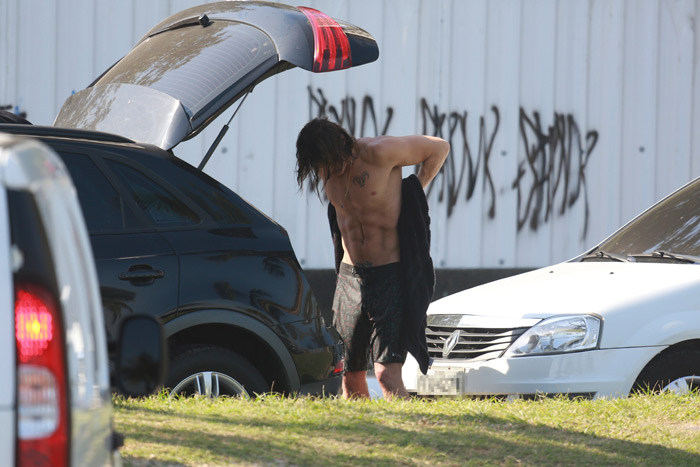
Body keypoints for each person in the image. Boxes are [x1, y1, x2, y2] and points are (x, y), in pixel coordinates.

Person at [295, 117, 449, 400]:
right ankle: (363, 437)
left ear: (344, 145)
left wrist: (415, 188)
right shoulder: (324, 167)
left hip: (389, 274)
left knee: (386, 374)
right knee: (348, 375)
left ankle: (409, 436)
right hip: (349, 278)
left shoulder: (379, 152)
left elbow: (439, 147)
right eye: (321, 166)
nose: (329, 170)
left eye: (332, 161)